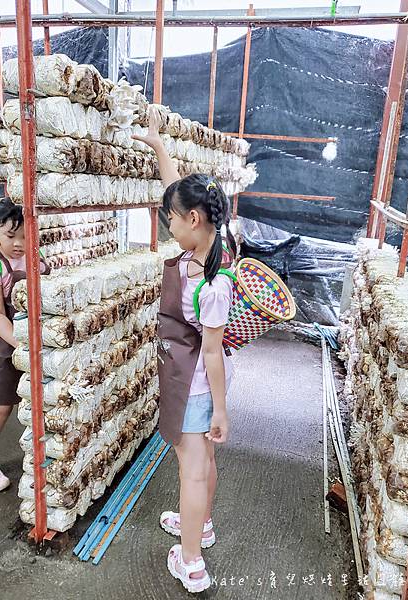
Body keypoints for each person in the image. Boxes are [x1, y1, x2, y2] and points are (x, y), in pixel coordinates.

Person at [133, 108, 236, 593]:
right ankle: (202, 525)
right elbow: (181, 195)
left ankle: (190, 560)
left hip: (198, 379)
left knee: (192, 470)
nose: (169, 227)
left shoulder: (209, 281)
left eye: (172, 221)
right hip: (198, 376)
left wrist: (220, 409)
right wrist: (159, 148)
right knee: (203, 464)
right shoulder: (217, 243)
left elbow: (212, 352)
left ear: (193, 220)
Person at [0, 198, 50, 493]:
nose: (18, 243)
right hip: (3, 346)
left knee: (39, 404)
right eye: (10, 236)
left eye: (26, 236)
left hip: (33, 343)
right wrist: (23, 346)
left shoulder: (35, 259)